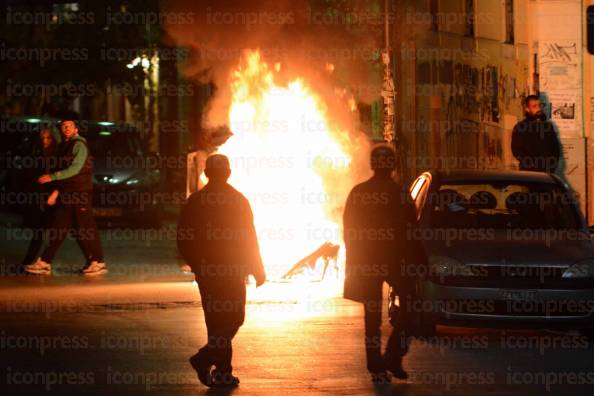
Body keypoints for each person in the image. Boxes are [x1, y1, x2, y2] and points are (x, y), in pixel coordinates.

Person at [177, 154, 266, 388]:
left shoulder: (195, 201)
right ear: (228, 173)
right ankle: (208, 362)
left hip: (208, 273)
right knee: (235, 317)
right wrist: (257, 268)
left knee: (215, 322)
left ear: (206, 173)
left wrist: (197, 265)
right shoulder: (238, 200)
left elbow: (183, 238)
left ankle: (222, 371)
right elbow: (249, 238)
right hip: (232, 271)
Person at [343, 145, 424, 384]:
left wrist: (355, 259)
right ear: (393, 166)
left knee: (372, 317)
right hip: (395, 260)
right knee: (412, 305)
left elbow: (349, 231)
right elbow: (412, 232)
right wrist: (420, 262)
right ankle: (393, 355)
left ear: (373, 165)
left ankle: (377, 366)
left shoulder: (359, 193)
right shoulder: (400, 194)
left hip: (368, 261)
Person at [24, 119, 107, 276]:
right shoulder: (65, 146)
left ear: (76, 129)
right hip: (69, 193)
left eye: (69, 126)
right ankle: (45, 262)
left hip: (80, 192)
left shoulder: (79, 145)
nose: (66, 128)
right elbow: (64, 171)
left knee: (86, 228)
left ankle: (98, 262)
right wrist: (56, 192)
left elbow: (75, 169)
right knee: (59, 228)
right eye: (64, 126)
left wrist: (52, 177)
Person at [21, 129, 60, 267]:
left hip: (53, 197)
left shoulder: (57, 155)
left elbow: (61, 176)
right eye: (43, 138)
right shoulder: (37, 153)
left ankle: (43, 261)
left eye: (48, 138)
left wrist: (55, 193)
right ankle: (32, 261)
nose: (45, 141)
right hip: (40, 196)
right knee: (39, 230)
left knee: (59, 231)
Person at [511, 95, 561, 173]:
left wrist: (552, 166)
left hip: (547, 173)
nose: (539, 108)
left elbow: (555, 149)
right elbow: (516, 150)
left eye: (540, 105)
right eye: (534, 106)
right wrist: (531, 164)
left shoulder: (548, 126)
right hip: (529, 174)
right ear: (527, 109)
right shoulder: (520, 127)